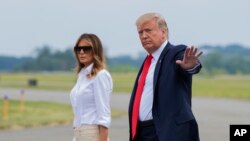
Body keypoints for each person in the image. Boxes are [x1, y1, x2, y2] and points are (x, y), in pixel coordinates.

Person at [128, 12, 203, 141]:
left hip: (167, 132)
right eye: (140, 32)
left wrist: (190, 66)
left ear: (164, 32)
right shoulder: (148, 62)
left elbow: (190, 65)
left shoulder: (175, 52)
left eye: (148, 30)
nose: (144, 36)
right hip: (142, 133)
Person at [70, 33, 113, 141]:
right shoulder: (82, 76)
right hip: (78, 133)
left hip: (92, 134)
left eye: (86, 49)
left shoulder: (100, 75)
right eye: (78, 49)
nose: (81, 52)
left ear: (95, 50)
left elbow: (104, 116)